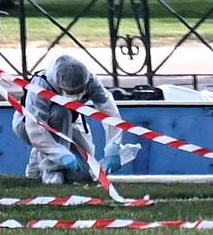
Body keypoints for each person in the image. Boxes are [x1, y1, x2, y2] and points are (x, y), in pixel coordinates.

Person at [13, 53, 128, 185]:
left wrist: (113, 148)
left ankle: (38, 165)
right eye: (71, 92)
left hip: (70, 124)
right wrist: (60, 155)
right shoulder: (41, 84)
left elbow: (110, 113)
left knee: (85, 174)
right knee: (61, 112)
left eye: (80, 91)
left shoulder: (91, 81)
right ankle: (51, 171)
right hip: (28, 125)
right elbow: (36, 127)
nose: (76, 96)